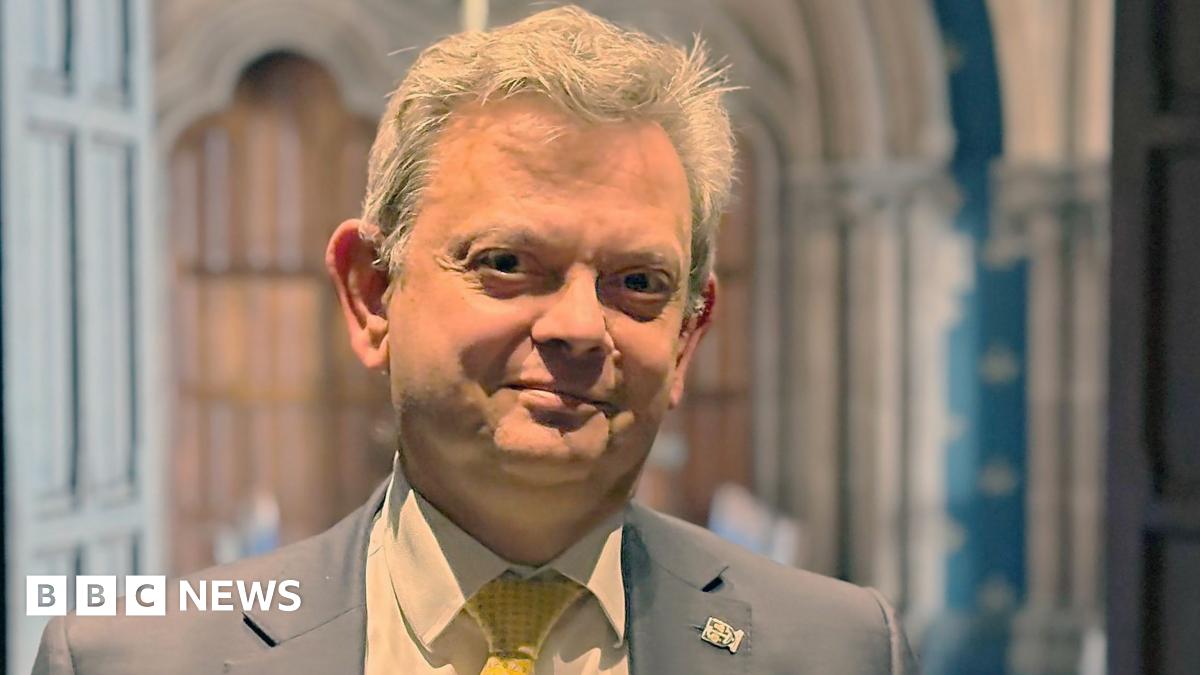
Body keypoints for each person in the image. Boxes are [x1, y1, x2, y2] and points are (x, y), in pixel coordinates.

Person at [33, 6, 916, 674]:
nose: (578, 326)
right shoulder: (131, 655)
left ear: (688, 336)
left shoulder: (836, 648)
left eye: (638, 283)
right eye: (506, 261)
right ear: (373, 293)